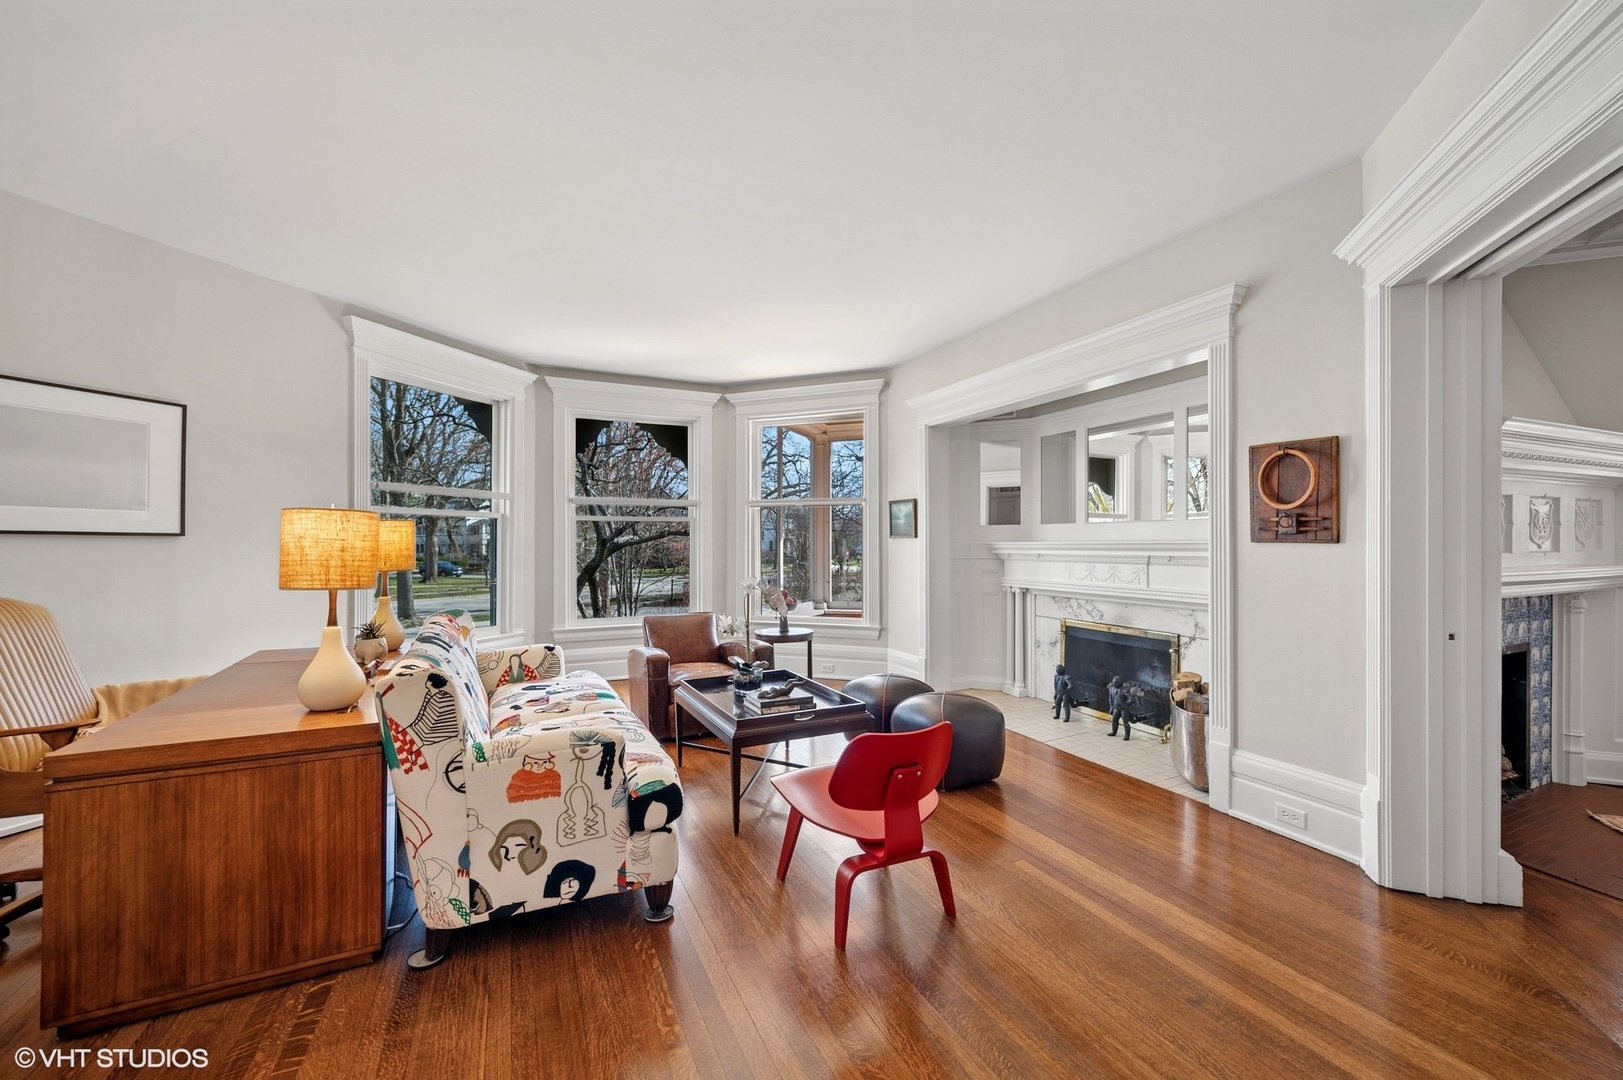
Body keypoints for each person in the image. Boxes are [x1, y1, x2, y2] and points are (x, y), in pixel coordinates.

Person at [1108, 675, 1130, 740]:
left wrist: (1125, 704)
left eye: (1116, 683)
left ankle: (1127, 735)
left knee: (1125, 722)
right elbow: (1110, 699)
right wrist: (1111, 707)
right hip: (1116, 708)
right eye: (1114, 683)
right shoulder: (1111, 689)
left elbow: (1131, 700)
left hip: (1123, 709)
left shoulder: (1125, 690)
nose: (1115, 684)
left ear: (1119, 683)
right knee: (1114, 720)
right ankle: (1114, 732)